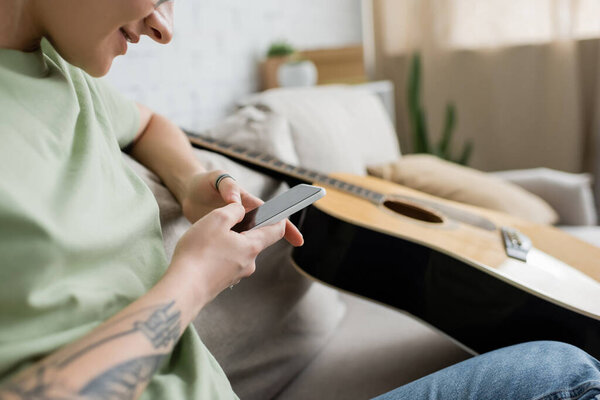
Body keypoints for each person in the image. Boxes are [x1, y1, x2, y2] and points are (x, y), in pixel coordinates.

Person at [0, 1, 598, 399]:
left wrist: (190, 184)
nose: (165, 27)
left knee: (558, 361)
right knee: (564, 373)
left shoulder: (62, 74)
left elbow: (150, 122)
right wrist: (193, 280)